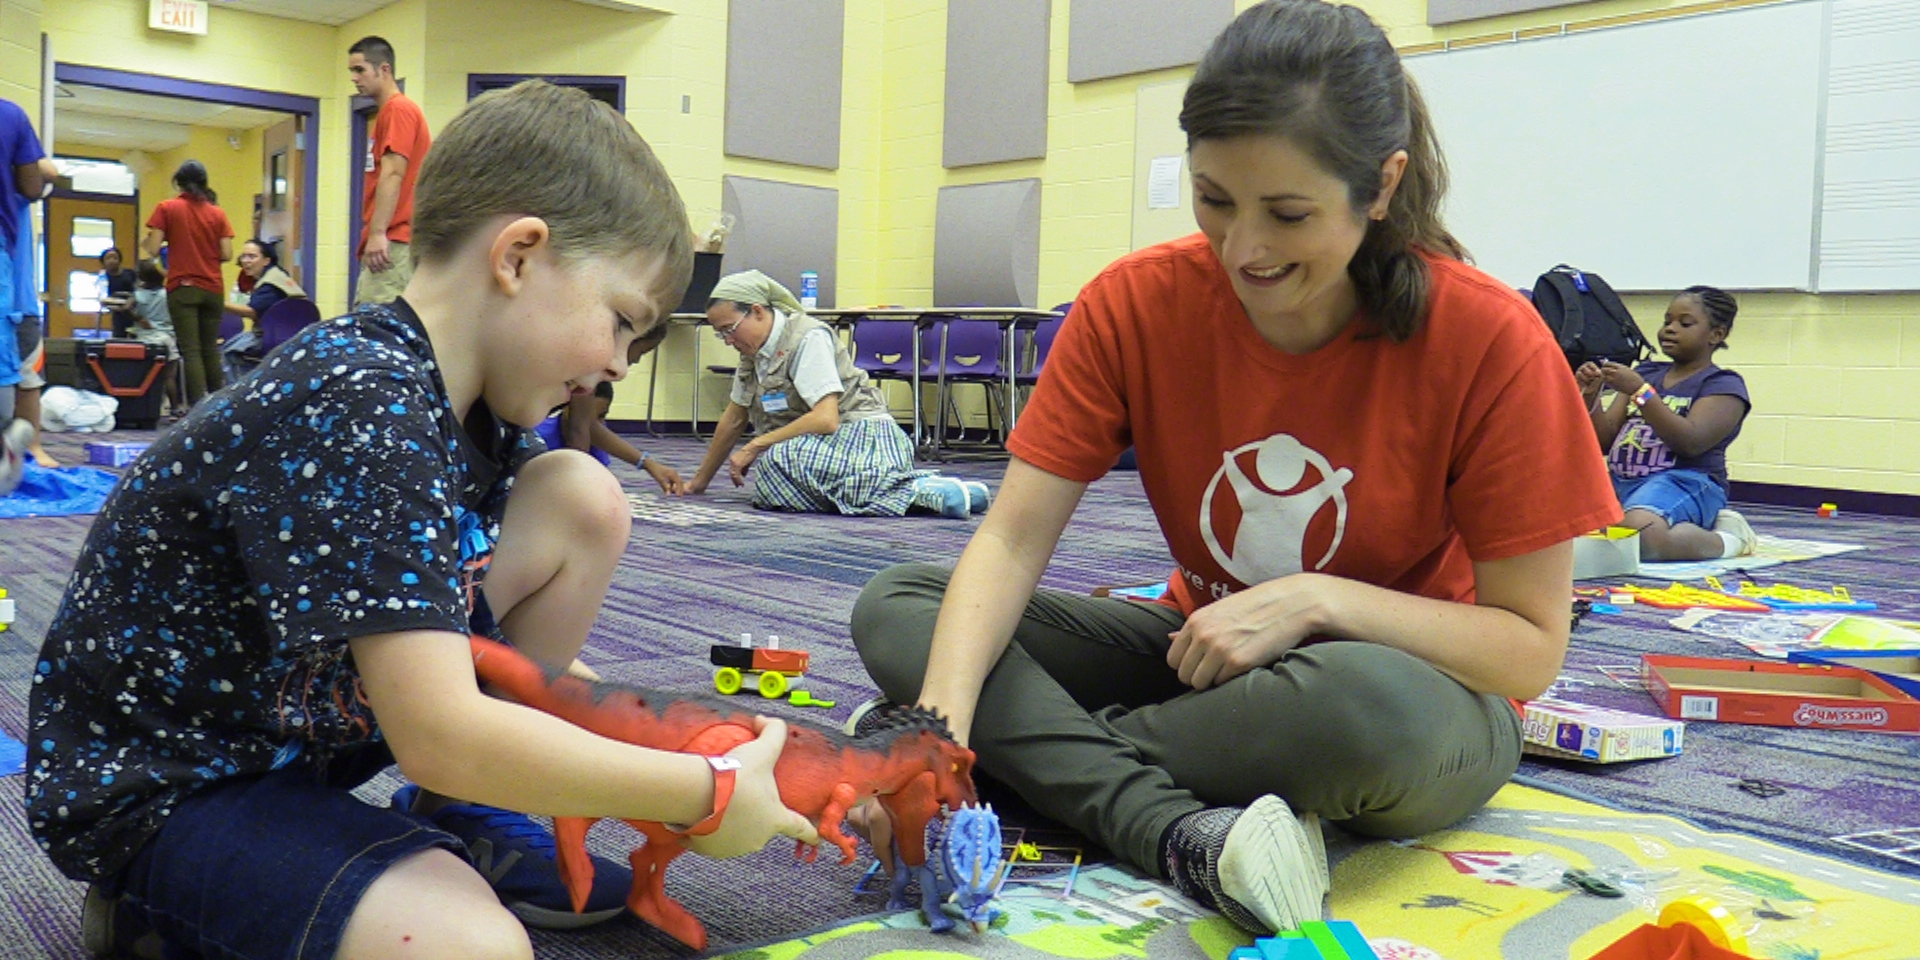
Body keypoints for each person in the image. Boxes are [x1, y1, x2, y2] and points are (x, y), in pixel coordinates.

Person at [845, 0, 1619, 937]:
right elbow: (1008, 540)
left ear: (1382, 186)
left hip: (1410, 692)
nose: (1243, 249)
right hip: (1200, 661)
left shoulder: (1490, 338)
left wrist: (1318, 600)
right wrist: (943, 731)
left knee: (1366, 714)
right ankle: (1168, 827)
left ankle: (1027, 763)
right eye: (1214, 200)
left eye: (1287, 214)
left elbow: (1529, 647)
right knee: (901, 606)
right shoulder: (1134, 304)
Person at [27, 80, 819, 960]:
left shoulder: (485, 416)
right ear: (518, 255)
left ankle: (464, 811)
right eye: (622, 324)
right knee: (469, 946)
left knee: (581, 497)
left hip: (300, 740)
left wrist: (716, 742)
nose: (618, 367)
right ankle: (149, 908)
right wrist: (701, 789)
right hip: (176, 786)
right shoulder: (361, 400)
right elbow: (439, 729)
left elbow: (506, 659)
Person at [680, 270, 986, 518]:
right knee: (773, 482)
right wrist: (699, 482)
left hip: (864, 437)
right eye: (720, 333)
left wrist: (756, 445)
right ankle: (934, 493)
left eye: (729, 329)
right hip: (820, 447)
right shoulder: (753, 352)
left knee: (778, 461)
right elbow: (734, 418)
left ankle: (921, 490)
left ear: (757, 312)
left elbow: (826, 419)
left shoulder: (807, 337)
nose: (726, 340)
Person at [1577, 287, 1753, 562]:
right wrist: (1592, 394)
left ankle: (1730, 539)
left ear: (1716, 335)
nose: (1670, 329)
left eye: (1684, 323)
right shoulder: (1646, 373)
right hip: (1620, 480)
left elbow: (1690, 442)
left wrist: (1642, 392)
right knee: (1559, 524)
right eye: (1666, 321)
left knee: (1639, 536)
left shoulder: (1723, 385)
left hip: (1686, 481)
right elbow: (1604, 440)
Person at [142, 159, 233, 409]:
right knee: (209, 349)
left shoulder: (167, 208)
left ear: (178, 183)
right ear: (205, 183)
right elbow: (226, 254)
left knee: (190, 350)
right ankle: (222, 407)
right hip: (213, 288)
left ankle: (198, 408)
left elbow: (151, 250)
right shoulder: (218, 212)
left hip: (183, 287)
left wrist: (151, 242)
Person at [349, 35, 431, 306]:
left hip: (393, 242)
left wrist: (377, 233)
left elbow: (393, 173)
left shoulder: (399, 110)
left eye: (360, 70)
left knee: (374, 333)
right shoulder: (387, 113)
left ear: (384, 70)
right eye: (352, 71)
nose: (354, 78)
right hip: (391, 240)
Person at [1, 96, 60, 472]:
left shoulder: (17, 202)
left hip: (20, 302)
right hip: (15, 301)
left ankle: (31, 445)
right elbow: (46, 174)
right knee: (16, 373)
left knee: (25, 376)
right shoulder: (19, 195)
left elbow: (45, 176)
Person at [537, 378, 685, 492]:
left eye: (601, 416)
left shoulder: (597, 442)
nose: (594, 425)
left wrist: (648, 464)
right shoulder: (539, 434)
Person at [127, 260, 185, 418]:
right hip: (166, 339)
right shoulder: (167, 293)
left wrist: (139, 318)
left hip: (144, 340)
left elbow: (126, 308)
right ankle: (174, 408)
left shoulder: (138, 295)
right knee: (169, 377)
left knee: (141, 375)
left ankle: (138, 408)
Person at [223, 237, 309, 324]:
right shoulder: (275, 273)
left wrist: (218, 303)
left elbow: (252, 312)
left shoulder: (270, 282)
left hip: (284, 332)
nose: (246, 261)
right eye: (243, 256)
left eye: (252, 256)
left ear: (266, 261)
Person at [98, 247, 139, 338]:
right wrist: (121, 307)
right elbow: (103, 298)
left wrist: (131, 301)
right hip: (116, 309)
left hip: (135, 308)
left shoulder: (130, 273)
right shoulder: (102, 277)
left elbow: (138, 290)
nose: (112, 261)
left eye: (115, 258)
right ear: (103, 262)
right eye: (108, 258)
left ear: (119, 260)